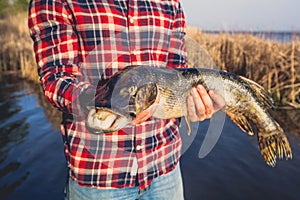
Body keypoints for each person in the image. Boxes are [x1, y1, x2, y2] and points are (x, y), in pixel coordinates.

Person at [28, 0, 224, 199]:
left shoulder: (169, 2)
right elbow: (56, 77)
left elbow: (177, 74)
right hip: (99, 177)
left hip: (166, 166)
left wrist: (193, 105)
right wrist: (107, 103)